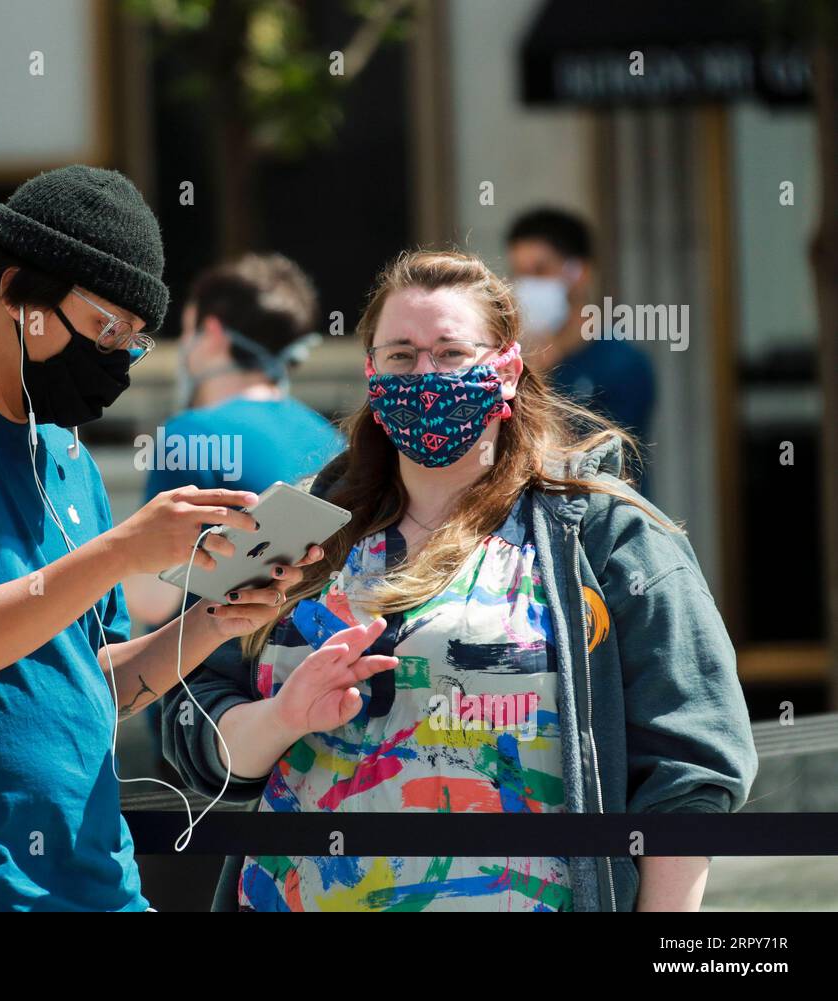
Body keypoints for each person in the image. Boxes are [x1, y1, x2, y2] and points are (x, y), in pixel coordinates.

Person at [164, 249, 757, 912]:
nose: (425, 374)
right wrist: (279, 717)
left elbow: (690, 769)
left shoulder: (603, 533)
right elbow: (189, 712)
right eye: (401, 355)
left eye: (450, 353)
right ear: (370, 372)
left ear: (506, 367)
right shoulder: (291, 527)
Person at [0, 165, 320, 911]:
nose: (117, 359)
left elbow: (92, 682)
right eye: (107, 327)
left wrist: (216, 619)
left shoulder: (69, 457)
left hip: (97, 880)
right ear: (16, 292)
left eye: (135, 342)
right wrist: (122, 551)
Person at [123, 253, 344, 629]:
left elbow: (150, 602)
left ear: (212, 333)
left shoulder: (191, 434)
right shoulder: (331, 436)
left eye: (189, 331)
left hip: (209, 680)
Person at [506, 208, 656, 462]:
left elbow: (605, 459)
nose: (527, 285)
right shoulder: (516, 362)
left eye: (540, 271)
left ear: (579, 273)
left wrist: (539, 381)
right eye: (519, 273)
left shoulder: (623, 364)